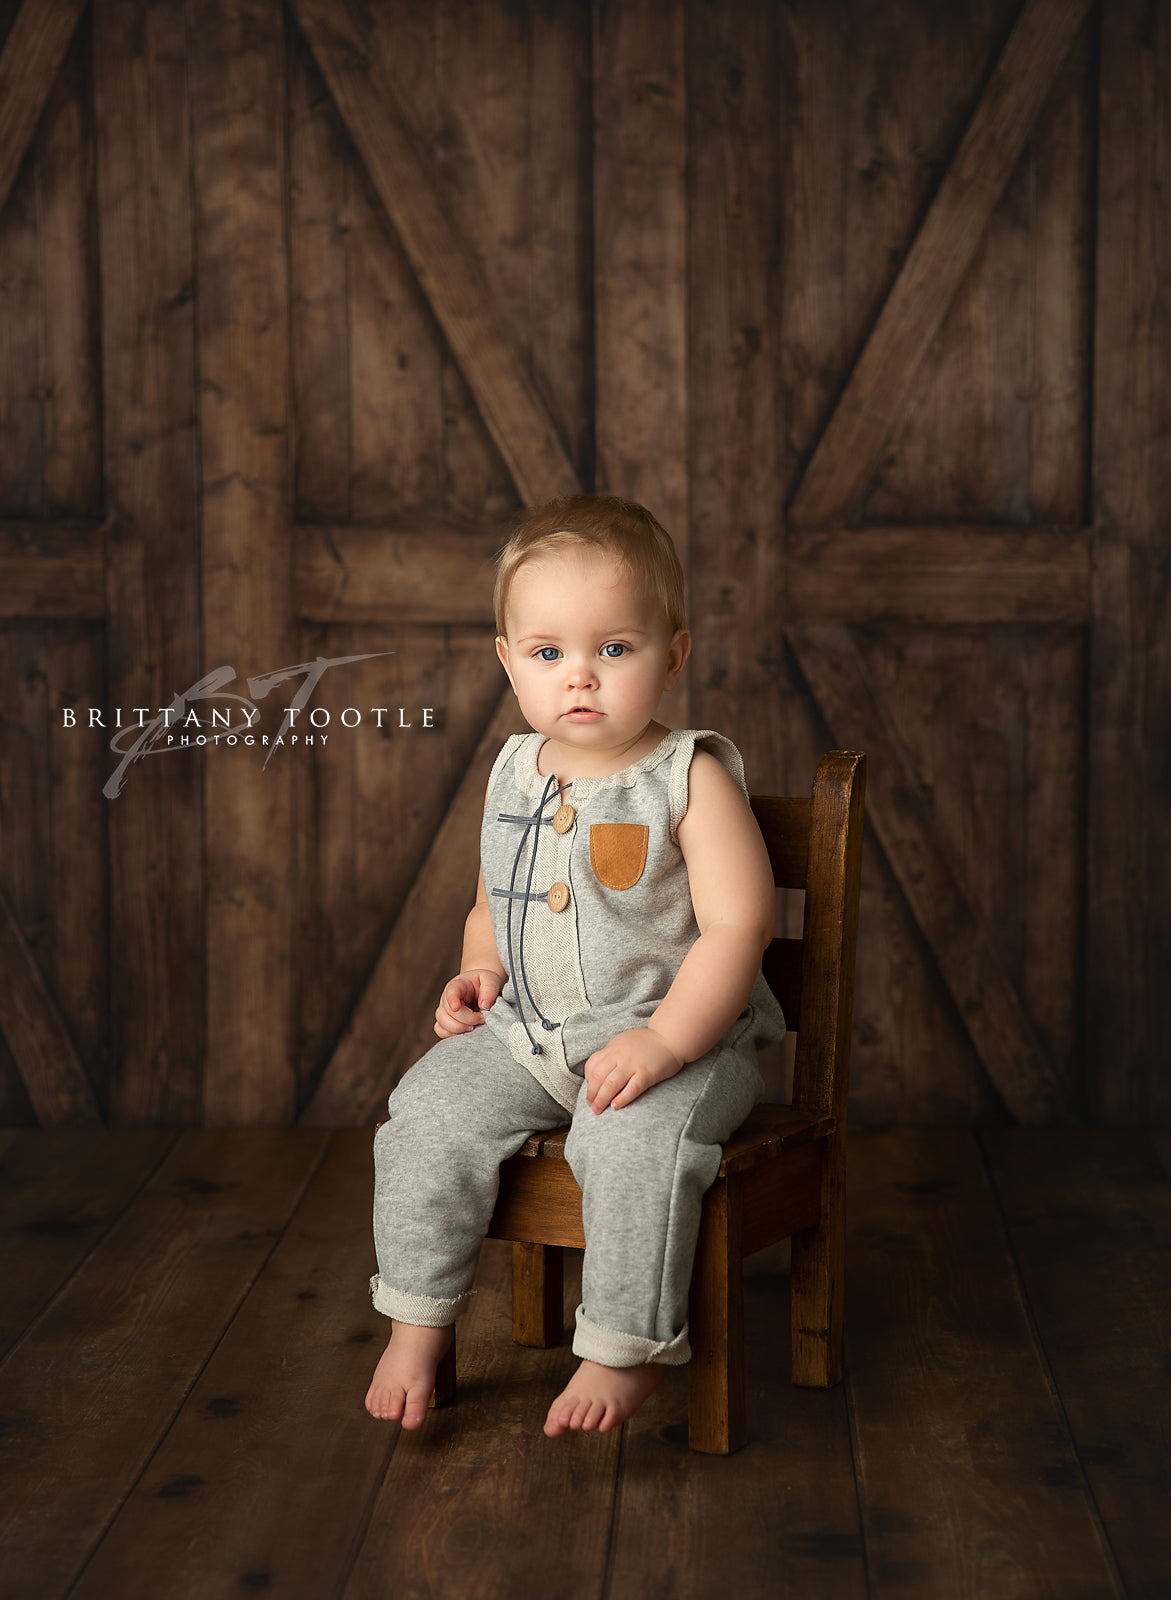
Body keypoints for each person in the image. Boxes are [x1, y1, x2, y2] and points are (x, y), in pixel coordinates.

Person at [365, 493, 785, 1437]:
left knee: (631, 1146)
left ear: (672, 654)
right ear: (509, 660)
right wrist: (479, 974)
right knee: (425, 1115)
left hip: (680, 1040)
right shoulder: (515, 769)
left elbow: (736, 929)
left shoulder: (688, 777)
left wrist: (666, 1044)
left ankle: (618, 1348)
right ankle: (416, 1320)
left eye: (615, 649)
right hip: (531, 1035)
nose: (579, 677)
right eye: (549, 654)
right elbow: (490, 907)